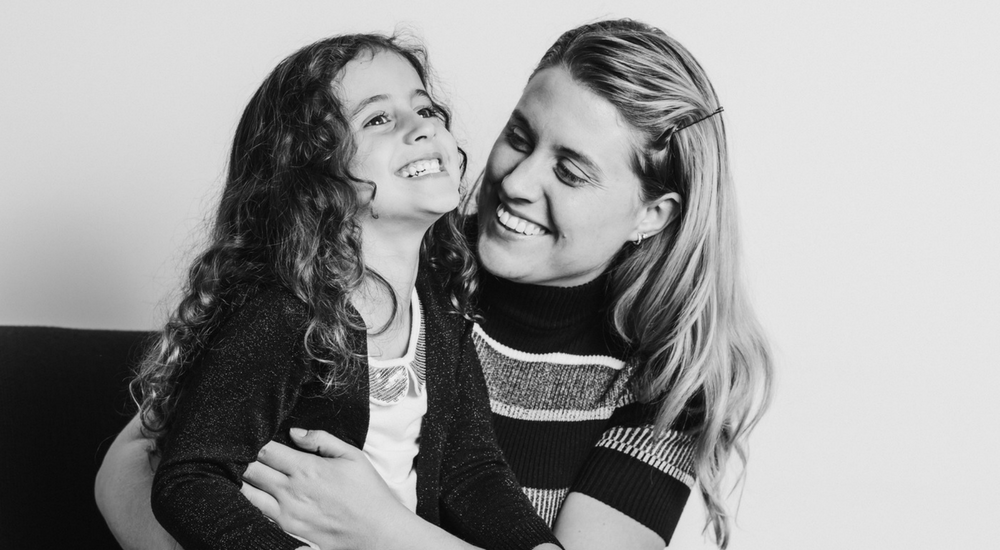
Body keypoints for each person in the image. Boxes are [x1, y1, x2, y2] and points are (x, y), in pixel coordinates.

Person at [96, 19, 773, 550]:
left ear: (652, 215)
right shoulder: (377, 285)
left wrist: (384, 534)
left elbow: (473, 475)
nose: (516, 180)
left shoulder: (666, 387)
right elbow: (143, 464)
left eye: (570, 171)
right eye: (519, 135)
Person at [122, 32, 561, 550]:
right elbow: (189, 479)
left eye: (426, 109)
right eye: (379, 119)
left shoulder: (439, 310)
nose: (422, 128)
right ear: (312, 177)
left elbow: (474, 472)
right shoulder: (285, 314)